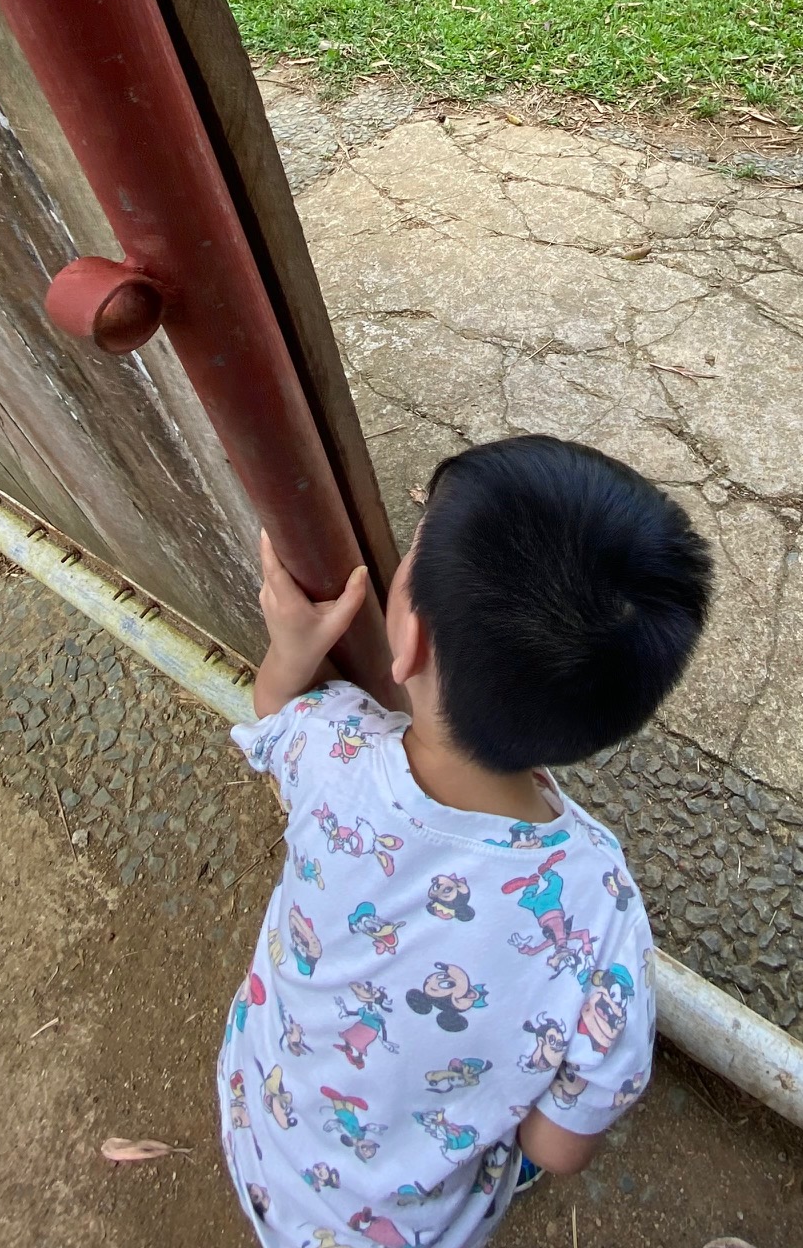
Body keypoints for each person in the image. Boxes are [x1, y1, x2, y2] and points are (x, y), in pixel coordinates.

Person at [218, 434, 713, 1248]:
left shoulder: (331, 750)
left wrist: (289, 650)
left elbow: (275, 716)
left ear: (405, 638)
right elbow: (556, 1149)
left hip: (259, 1126)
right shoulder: (600, 906)